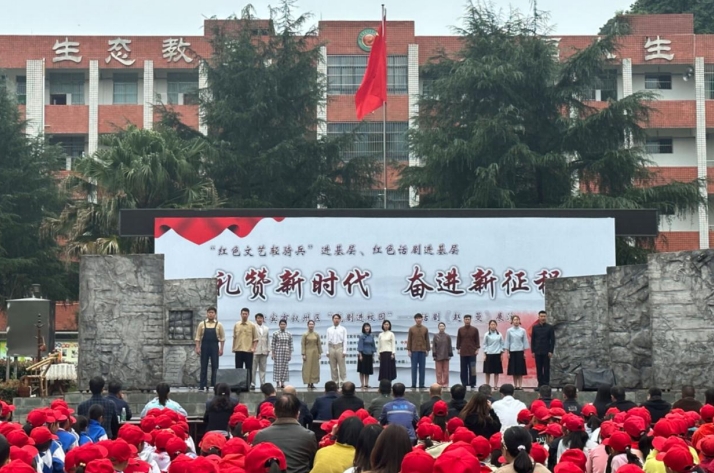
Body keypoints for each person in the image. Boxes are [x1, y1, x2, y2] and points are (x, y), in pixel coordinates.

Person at [252, 394, 318, 473]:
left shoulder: (261, 435)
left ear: (274, 412)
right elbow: (313, 463)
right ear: (298, 413)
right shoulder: (309, 436)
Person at [194, 306, 225, 392]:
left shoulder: (219, 324)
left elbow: (222, 338)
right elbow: (197, 337)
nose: (211, 314)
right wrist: (197, 347)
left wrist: (221, 349)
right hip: (204, 346)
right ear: (207, 314)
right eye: (209, 312)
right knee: (203, 366)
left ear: (215, 314)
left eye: (212, 313)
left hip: (214, 346)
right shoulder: (202, 324)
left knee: (215, 366)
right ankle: (202, 385)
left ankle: (215, 385)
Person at [233, 308, 259, 388]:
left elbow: (256, 339)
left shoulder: (252, 325)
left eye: (246, 314)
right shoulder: (236, 325)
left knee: (248, 369)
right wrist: (233, 348)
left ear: (248, 315)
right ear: (240, 314)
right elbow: (234, 337)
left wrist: (253, 348)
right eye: (243, 314)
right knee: (238, 369)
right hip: (238, 350)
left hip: (248, 351)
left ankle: (248, 384)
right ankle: (238, 384)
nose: (244, 315)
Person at [531, 310, 555, 388]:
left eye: (544, 316)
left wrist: (551, 351)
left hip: (546, 351)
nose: (543, 318)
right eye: (541, 316)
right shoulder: (535, 327)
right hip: (537, 351)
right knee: (539, 368)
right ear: (538, 317)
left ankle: (546, 384)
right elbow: (533, 340)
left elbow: (552, 340)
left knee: (546, 368)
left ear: (546, 317)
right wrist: (533, 351)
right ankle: (540, 384)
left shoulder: (550, 327)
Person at [504, 315, 529, 390]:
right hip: (512, 351)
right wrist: (508, 352)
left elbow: (525, 341)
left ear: (519, 321)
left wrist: (524, 352)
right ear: (512, 321)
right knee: (514, 370)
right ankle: (515, 385)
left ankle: (520, 385)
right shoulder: (509, 330)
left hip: (520, 351)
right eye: (514, 320)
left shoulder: (523, 330)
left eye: (517, 319)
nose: (516, 321)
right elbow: (507, 341)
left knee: (520, 370)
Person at [457, 315, 481, 390]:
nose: (467, 320)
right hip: (463, 352)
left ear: (470, 320)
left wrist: (477, 349)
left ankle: (472, 383)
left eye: (468, 319)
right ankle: (464, 383)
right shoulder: (460, 329)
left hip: (472, 352)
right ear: (464, 320)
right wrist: (458, 348)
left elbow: (477, 340)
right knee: (463, 369)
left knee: (472, 368)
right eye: (466, 319)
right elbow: (458, 340)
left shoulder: (475, 329)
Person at [407, 313, 430, 389]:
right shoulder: (411, 329)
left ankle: (421, 384)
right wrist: (409, 350)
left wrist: (427, 349)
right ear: (415, 319)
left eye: (420, 318)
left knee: (422, 368)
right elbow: (409, 340)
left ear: (422, 319)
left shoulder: (425, 329)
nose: (418, 319)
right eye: (417, 318)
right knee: (414, 368)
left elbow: (427, 340)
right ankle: (413, 384)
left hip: (422, 351)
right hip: (414, 350)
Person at [326, 314, 348, 385]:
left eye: (338, 318)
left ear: (340, 320)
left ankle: (343, 381)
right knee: (333, 366)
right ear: (332, 320)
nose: (336, 320)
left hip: (340, 347)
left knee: (342, 366)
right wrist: (327, 351)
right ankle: (335, 382)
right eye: (335, 318)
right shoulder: (329, 329)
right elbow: (327, 340)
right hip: (331, 347)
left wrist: (344, 351)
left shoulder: (343, 329)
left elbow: (345, 340)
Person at [483, 320, 504, 389]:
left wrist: (501, 354)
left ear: (496, 325)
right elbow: (484, 344)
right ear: (489, 326)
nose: (493, 326)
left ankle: (495, 385)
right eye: (491, 324)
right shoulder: (486, 334)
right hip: (489, 354)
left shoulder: (499, 334)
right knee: (487, 371)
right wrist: (485, 354)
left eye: (494, 324)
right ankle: (487, 385)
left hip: (497, 354)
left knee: (496, 372)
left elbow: (502, 344)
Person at [272, 319, 293, 389]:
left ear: (286, 325)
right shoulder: (275, 333)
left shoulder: (289, 334)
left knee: (285, 367)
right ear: (279, 325)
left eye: (284, 324)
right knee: (277, 367)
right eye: (281, 324)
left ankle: (283, 382)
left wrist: (290, 354)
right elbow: (273, 344)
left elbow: (290, 344)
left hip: (286, 352)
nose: (283, 325)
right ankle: (277, 382)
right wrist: (273, 353)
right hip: (278, 351)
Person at [302, 320, 322, 389]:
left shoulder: (316, 334)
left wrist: (319, 353)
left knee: (314, 368)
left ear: (314, 325)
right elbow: (303, 345)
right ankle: (308, 383)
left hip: (315, 353)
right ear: (307, 325)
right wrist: (303, 354)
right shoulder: (305, 334)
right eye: (310, 324)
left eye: (312, 324)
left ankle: (312, 383)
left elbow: (319, 344)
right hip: (307, 353)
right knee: (307, 368)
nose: (311, 325)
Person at [432, 322, 453, 388]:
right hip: (438, 356)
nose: (441, 327)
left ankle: (445, 383)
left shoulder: (447, 336)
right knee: (438, 372)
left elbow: (450, 346)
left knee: (446, 371)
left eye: (442, 326)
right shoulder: (435, 336)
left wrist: (450, 354)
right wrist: (434, 355)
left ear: (444, 327)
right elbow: (434, 346)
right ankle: (439, 383)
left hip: (446, 356)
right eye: (440, 326)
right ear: (438, 328)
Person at [253, 313, 271, 390]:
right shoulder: (253, 327)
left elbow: (268, 339)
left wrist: (268, 349)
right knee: (253, 369)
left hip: (264, 351)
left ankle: (262, 384)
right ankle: (252, 383)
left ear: (263, 319)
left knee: (263, 369)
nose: (260, 319)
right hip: (255, 351)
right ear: (256, 319)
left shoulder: (266, 328)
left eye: (261, 318)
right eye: (258, 318)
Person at [357, 323, 376, 390]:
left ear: (370, 328)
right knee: (362, 370)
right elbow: (360, 346)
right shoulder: (362, 336)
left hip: (369, 355)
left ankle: (366, 384)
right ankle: (362, 384)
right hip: (363, 355)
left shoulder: (371, 336)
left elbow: (373, 346)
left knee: (367, 371)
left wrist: (373, 355)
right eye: (365, 327)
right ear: (363, 328)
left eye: (368, 327)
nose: (367, 328)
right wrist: (360, 355)